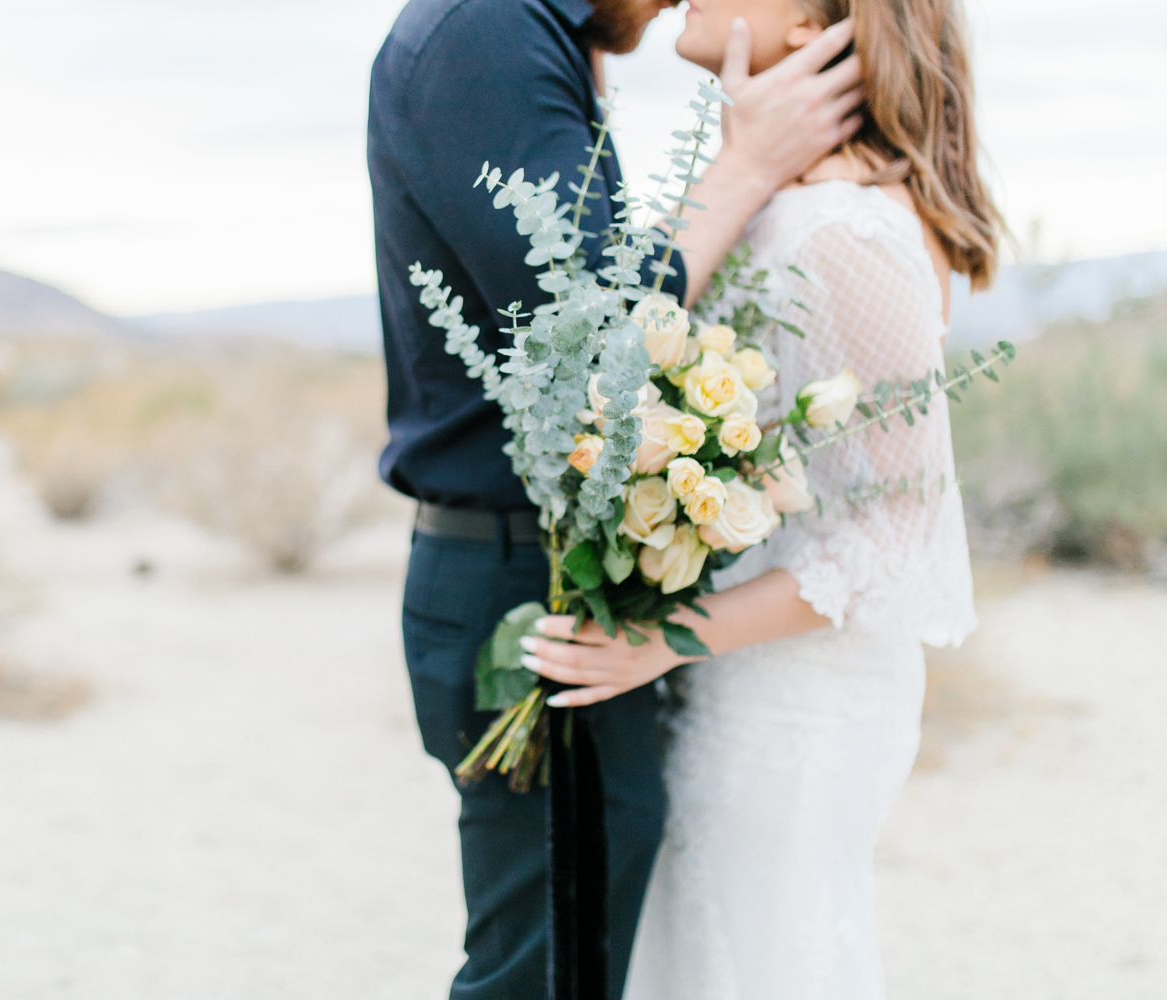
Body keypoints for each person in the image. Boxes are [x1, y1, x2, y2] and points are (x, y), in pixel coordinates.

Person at [367, 1, 866, 995]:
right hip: (523, 575)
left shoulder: (534, 39)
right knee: (544, 965)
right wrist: (743, 167)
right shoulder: (485, 32)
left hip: (540, 558)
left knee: (573, 942)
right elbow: (600, 329)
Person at [519, 0, 1001, 995]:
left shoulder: (843, 231)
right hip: (732, 682)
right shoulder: (772, 207)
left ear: (814, 27)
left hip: (800, 708)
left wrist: (664, 635)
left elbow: (896, 532)